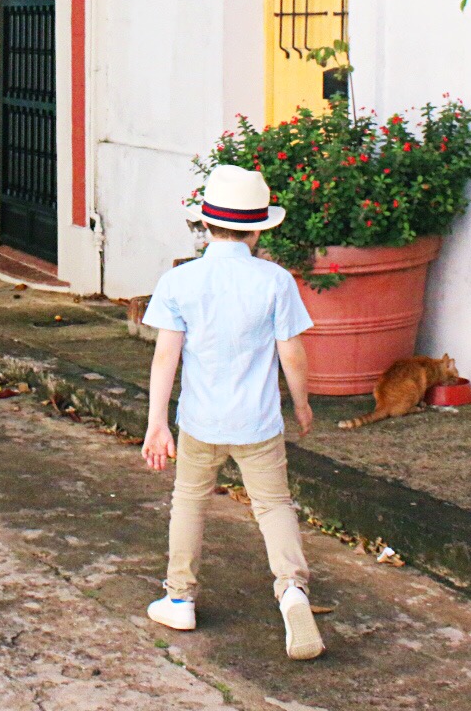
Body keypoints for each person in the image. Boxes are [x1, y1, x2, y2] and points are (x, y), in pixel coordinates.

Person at [139, 163, 323, 660]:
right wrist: (301, 403)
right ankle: (291, 589)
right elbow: (292, 353)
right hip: (258, 423)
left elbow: (165, 356)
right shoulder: (276, 281)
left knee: (189, 502)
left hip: (199, 422)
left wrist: (157, 422)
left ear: (205, 224)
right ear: (258, 228)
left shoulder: (181, 280)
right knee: (273, 505)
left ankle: (179, 597)